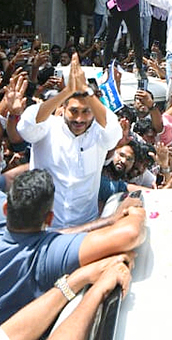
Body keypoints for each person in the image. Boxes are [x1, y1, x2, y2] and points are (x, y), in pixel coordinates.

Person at [0, 169, 145, 340]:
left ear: (6, 208)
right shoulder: (51, 253)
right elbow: (130, 234)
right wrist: (135, 212)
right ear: (49, 217)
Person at [15, 58, 122, 229]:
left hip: (84, 230)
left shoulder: (99, 134)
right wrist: (67, 91)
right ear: (63, 108)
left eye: (86, 111)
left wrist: (87, 91)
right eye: (73, 111)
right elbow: (26, 126)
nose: (79, 119)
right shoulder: (48, 127)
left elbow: (114, 131)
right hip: (44, 228)